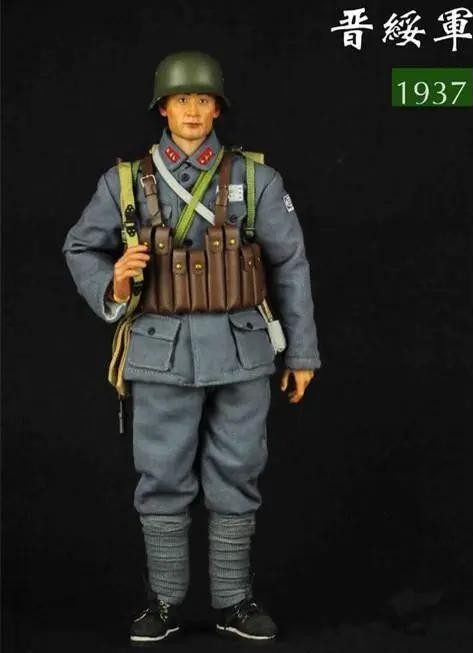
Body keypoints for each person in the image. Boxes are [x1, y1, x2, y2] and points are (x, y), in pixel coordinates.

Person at [63, 50, 320, 644]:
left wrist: (301, 354)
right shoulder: (126, 182)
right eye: (182, 99)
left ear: (218, 108)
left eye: (204, 100)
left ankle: (233, 601)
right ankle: (163, 601)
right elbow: (80, 247)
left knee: (238, 472)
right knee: (161, 477)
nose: (194, 111)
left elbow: (290, 265)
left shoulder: (256, 180)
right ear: (163, 107)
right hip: (161, 351)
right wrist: (115, 281)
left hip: (241, 351)